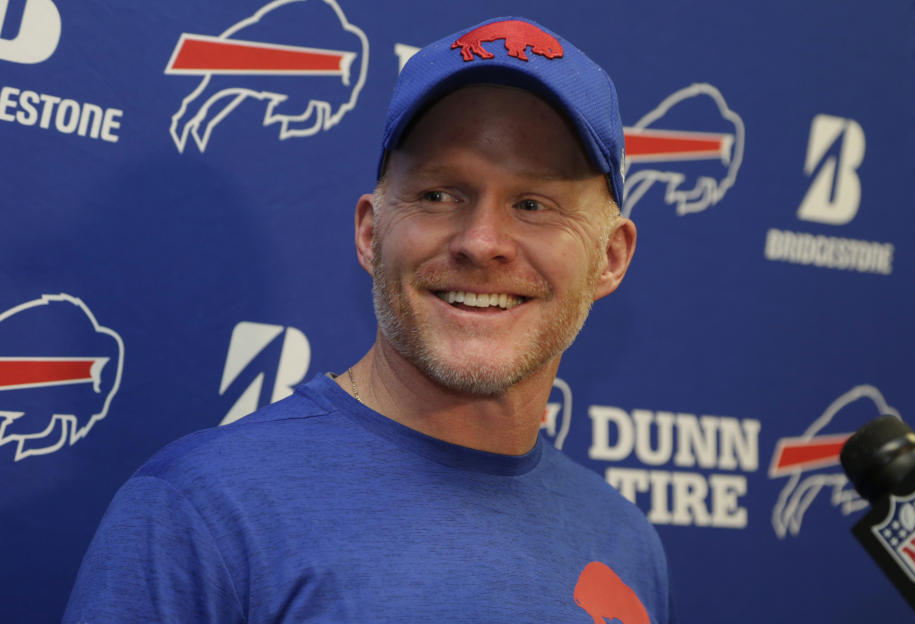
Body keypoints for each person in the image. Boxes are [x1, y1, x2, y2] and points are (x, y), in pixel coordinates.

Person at [64, 16, 672, 623]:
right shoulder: (203, 513)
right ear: (370, 232)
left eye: (533, 204)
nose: (482, 241)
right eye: (439, 194)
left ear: (610, 258)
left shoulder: (626, 542)